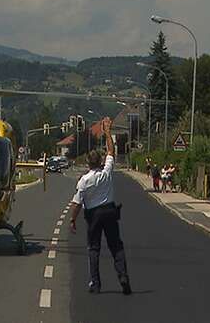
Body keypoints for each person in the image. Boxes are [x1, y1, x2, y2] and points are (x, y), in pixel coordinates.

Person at [69, 117, 131, 295]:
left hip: (93, 215)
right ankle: (123, 276)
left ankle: (95, 284)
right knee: (116, 246)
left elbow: (77, 203)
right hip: (110, 212)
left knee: (94, 248)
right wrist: (107, 132)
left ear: (88, 163)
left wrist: (73, 220)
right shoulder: (107, 172)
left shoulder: (84, 181)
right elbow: (111, 150)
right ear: (100, 161)